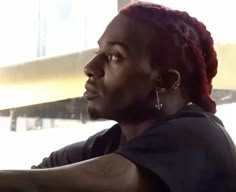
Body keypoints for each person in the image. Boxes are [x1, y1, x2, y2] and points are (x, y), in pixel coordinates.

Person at [0, 1, 236, 191]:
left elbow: (101, 176)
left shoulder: (200, 138)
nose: (90, 67)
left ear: (166, 81)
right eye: (98, 51)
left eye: (115, 56)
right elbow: (33, 176)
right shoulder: (107, 144)